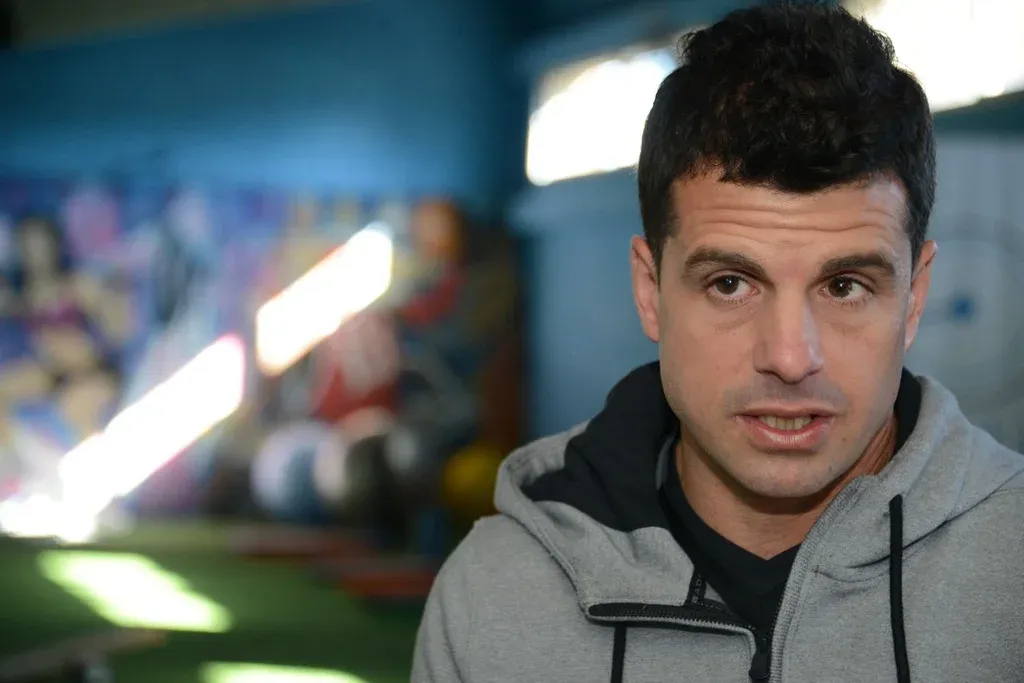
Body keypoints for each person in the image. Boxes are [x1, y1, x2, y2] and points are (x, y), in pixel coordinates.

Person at [413, 2, 1024, 682]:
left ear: (915, 297)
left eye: (845, 286)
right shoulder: (494, 599)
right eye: (731, 283)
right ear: (650, 290)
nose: (790, 357)